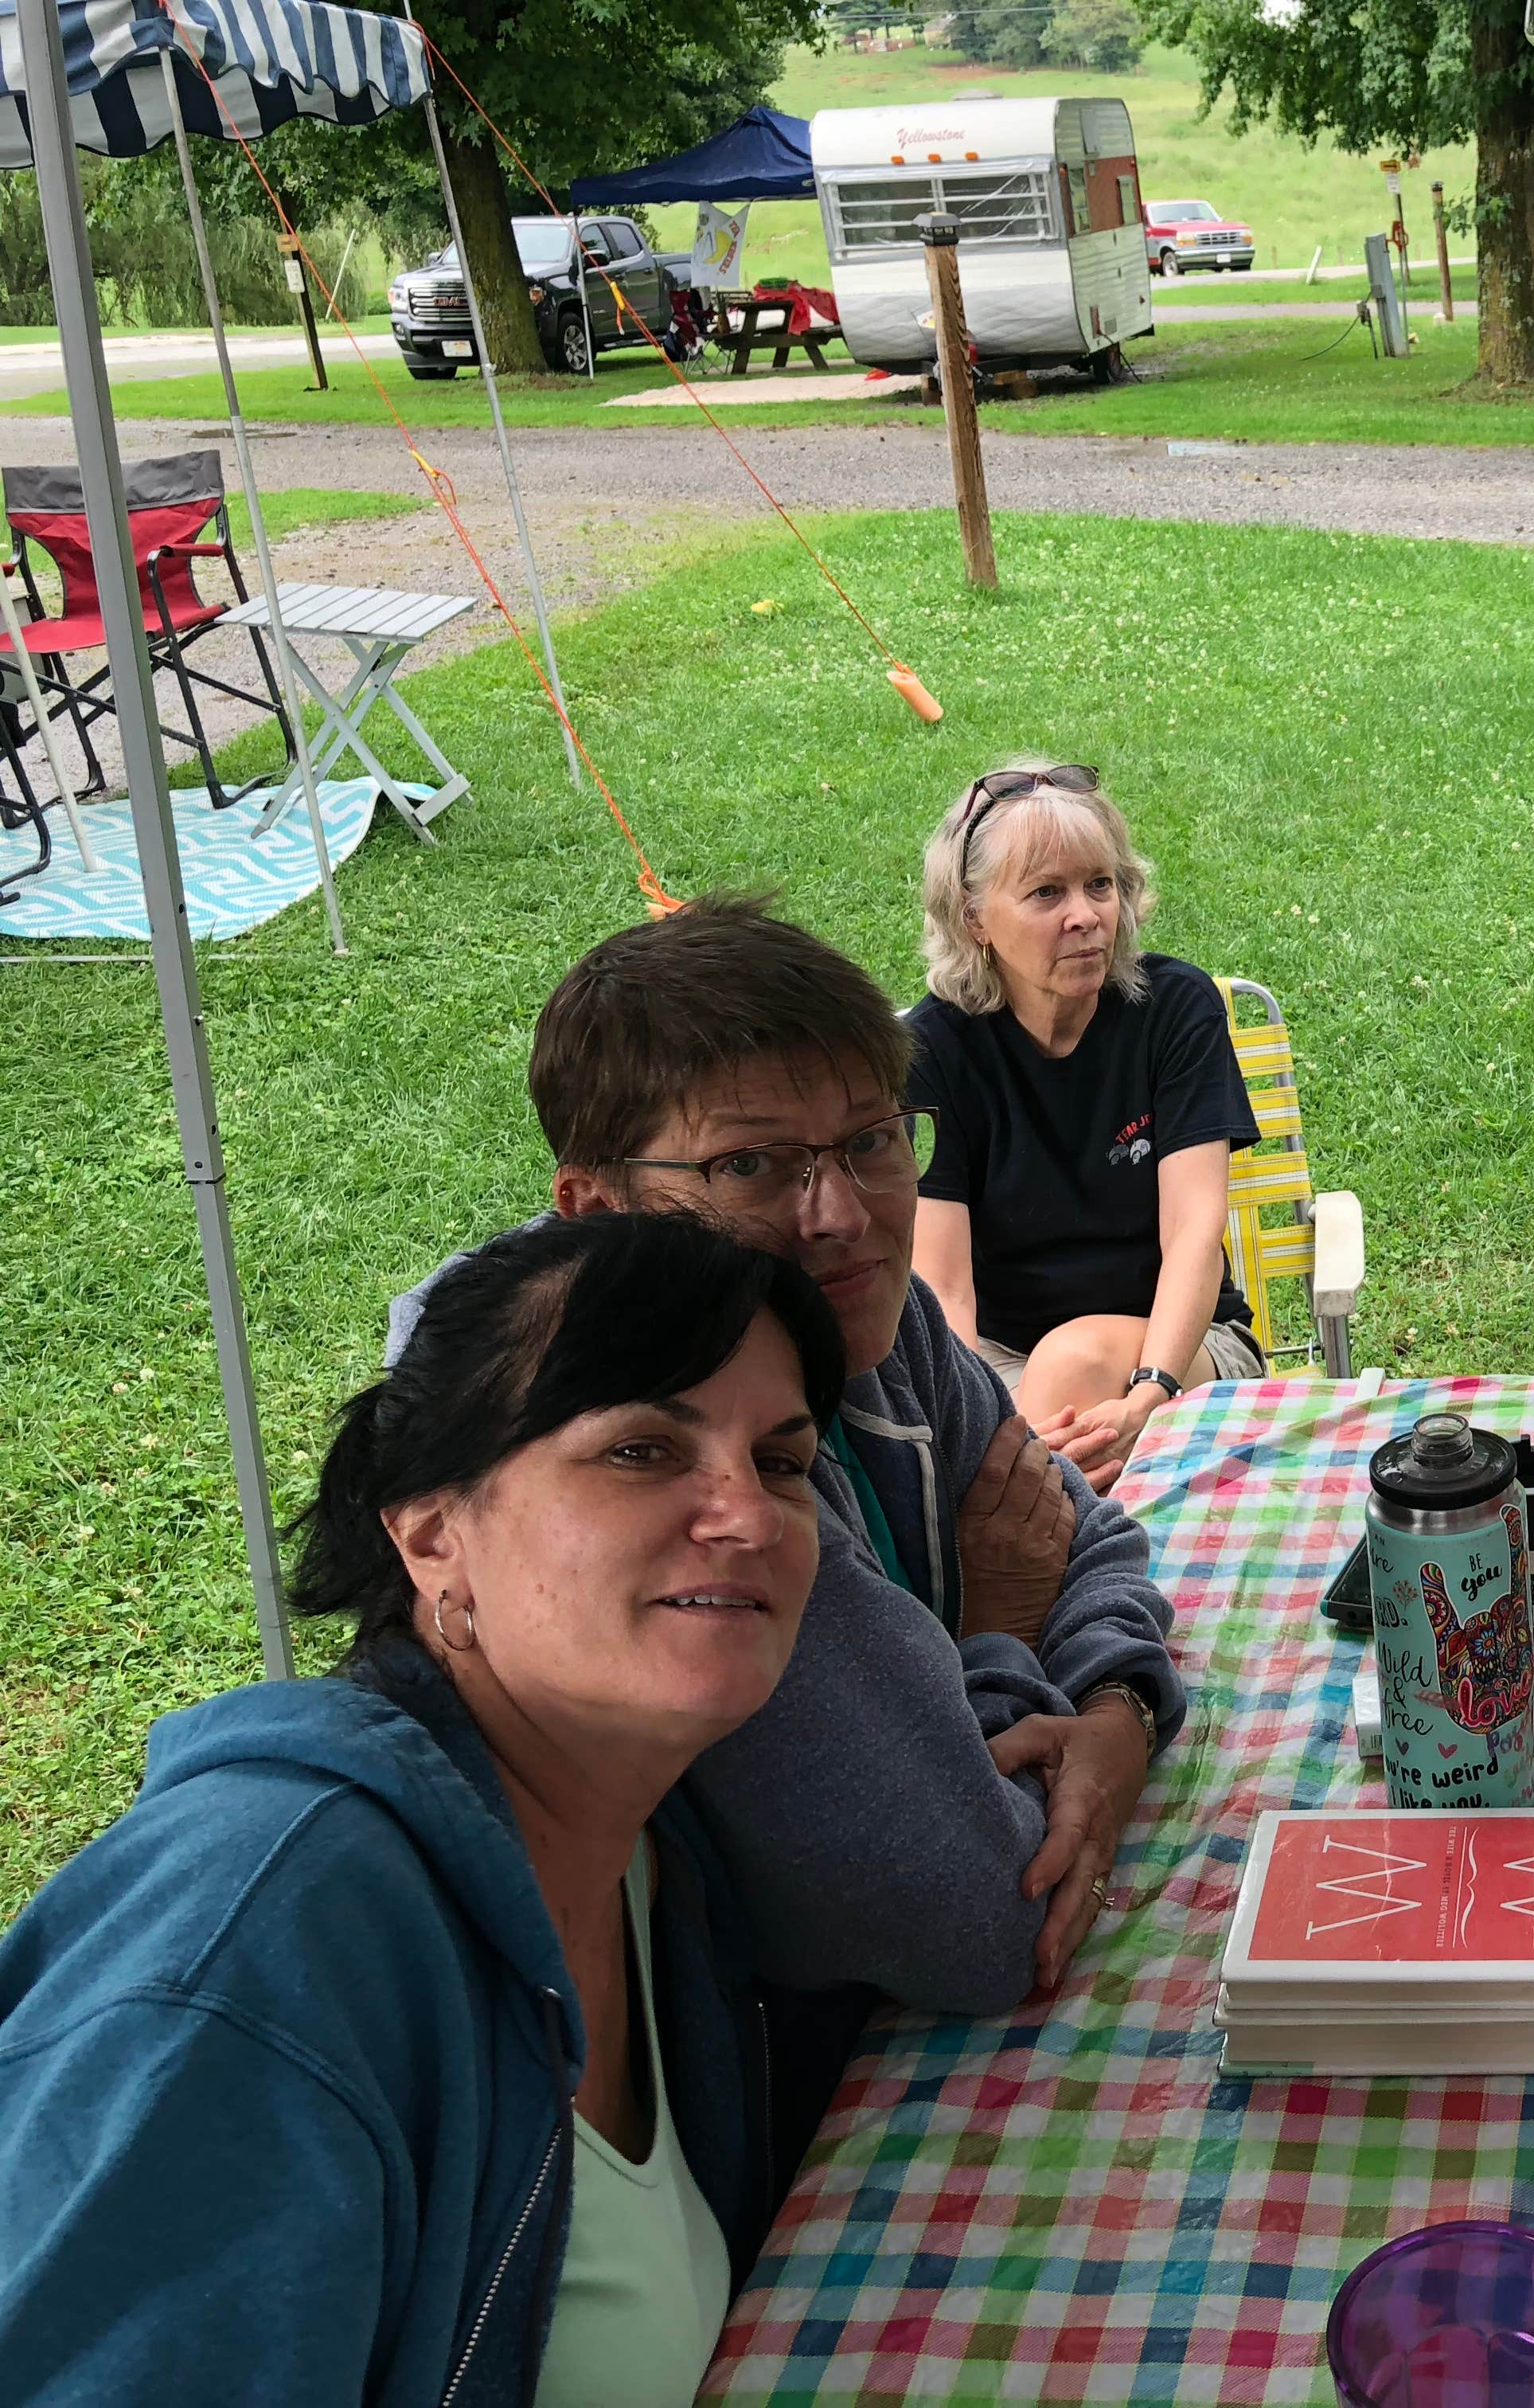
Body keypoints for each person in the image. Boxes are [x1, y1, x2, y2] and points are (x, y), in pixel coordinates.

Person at [0, 1214, 841, 2405]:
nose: (748, 1514)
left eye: (782, 1463)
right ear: (433, 1532)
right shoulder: (258, 1950)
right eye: (641, 1450)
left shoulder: (656, 1850)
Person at [393, 897, 1184, 2039]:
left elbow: (1081, 1532)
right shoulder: (670, 1505)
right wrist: (1000, 1626)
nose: (840, 1216)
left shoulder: (874, 1321)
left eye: (871, 1139)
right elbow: (981, 1914)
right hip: (763, 2077)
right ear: (598, 1210)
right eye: (751, 1164)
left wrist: (1116, 1712)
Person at [908, 764, 1266, 1488]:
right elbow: (943, 1288)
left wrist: (1149, 1394)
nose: (1086, 915)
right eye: (1047, 892)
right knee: (1026, 1441)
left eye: (1099, 885)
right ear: (975, 918)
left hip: (1185, 1351)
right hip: (1001, 1362)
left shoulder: (1173, 1010)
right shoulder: (934, 1053)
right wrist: (986, 1432)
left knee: (1069, 1374)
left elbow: (1194, 1234)